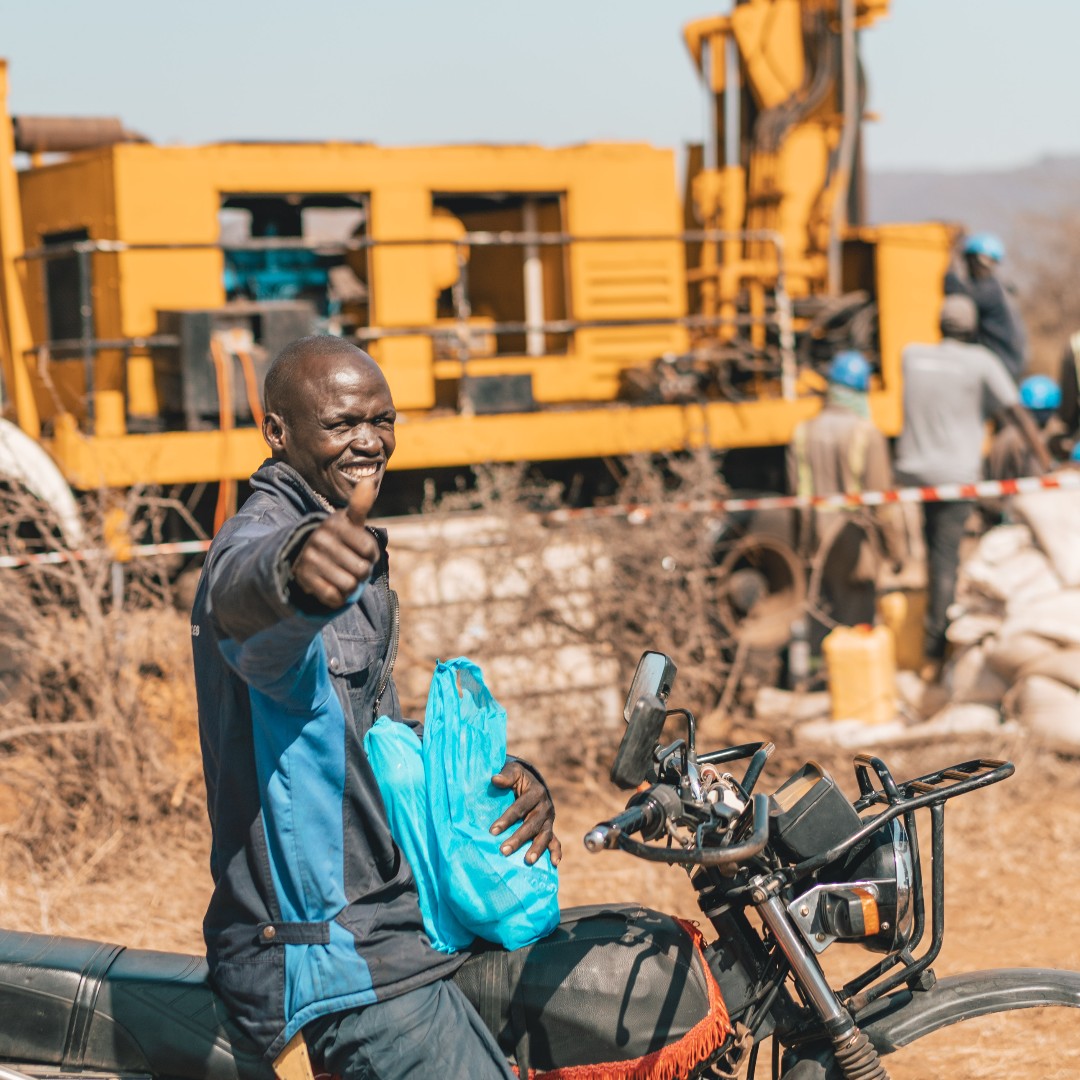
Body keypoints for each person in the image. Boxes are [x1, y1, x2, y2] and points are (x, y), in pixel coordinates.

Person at [191, 336, 561, 1078]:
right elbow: (250, 621)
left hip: (394, 924)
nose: (370, 440)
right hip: (327, 955)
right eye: (342, 423)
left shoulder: (349, 541)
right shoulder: (262, 539)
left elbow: (359, 735)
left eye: (383, 419)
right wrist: (295, 576)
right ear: (278, 431)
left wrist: (498, 779)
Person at [893, 295, 1050, 678]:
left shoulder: (911, 355)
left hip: (912, 474)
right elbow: (1017, 413)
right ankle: (937, 654)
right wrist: (1047, 464)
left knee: (931, 556)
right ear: (973, 328)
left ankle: (931, 637)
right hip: (954, 478)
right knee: (947, 560)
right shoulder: (982, 362)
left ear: (940, 323)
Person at [787, 350, 907, 647]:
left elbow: (796, 496)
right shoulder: (867, 434)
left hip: (817, 541)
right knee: (857, 627)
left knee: (823, 618)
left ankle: (817, 681)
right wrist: (894, 551)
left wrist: (802, 548)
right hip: (855, 543)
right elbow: (881, 505)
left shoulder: (802, 432)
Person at [944, 231, 1028, 383]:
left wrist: (949, 266)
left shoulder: (989, 291)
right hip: (1007, 364)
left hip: (1002, 365)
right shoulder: (997, 289)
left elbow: (957, 295)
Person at [987, 374, 1065, 481]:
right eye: (1037, 412)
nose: (1041, 416)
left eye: (1046, 411)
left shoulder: (1058, 433)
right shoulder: (1011, 439)